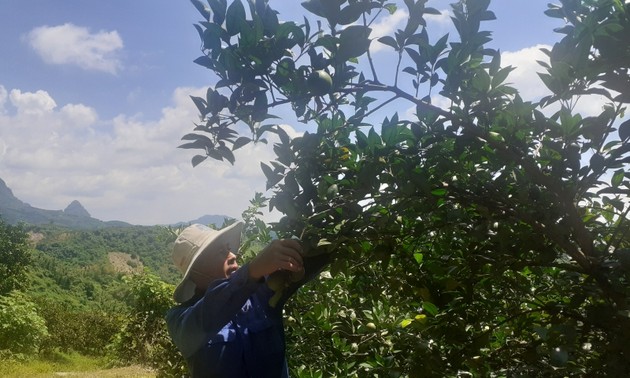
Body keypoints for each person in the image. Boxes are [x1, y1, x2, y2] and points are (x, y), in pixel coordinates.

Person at [166, 221, 329, 377]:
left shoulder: (261, 293)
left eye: (229, 249)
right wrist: (252, 270)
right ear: (196, 271)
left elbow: (318, 253)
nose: (232, 255)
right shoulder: (179, 319)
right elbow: (209, 311)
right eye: (220, 252)